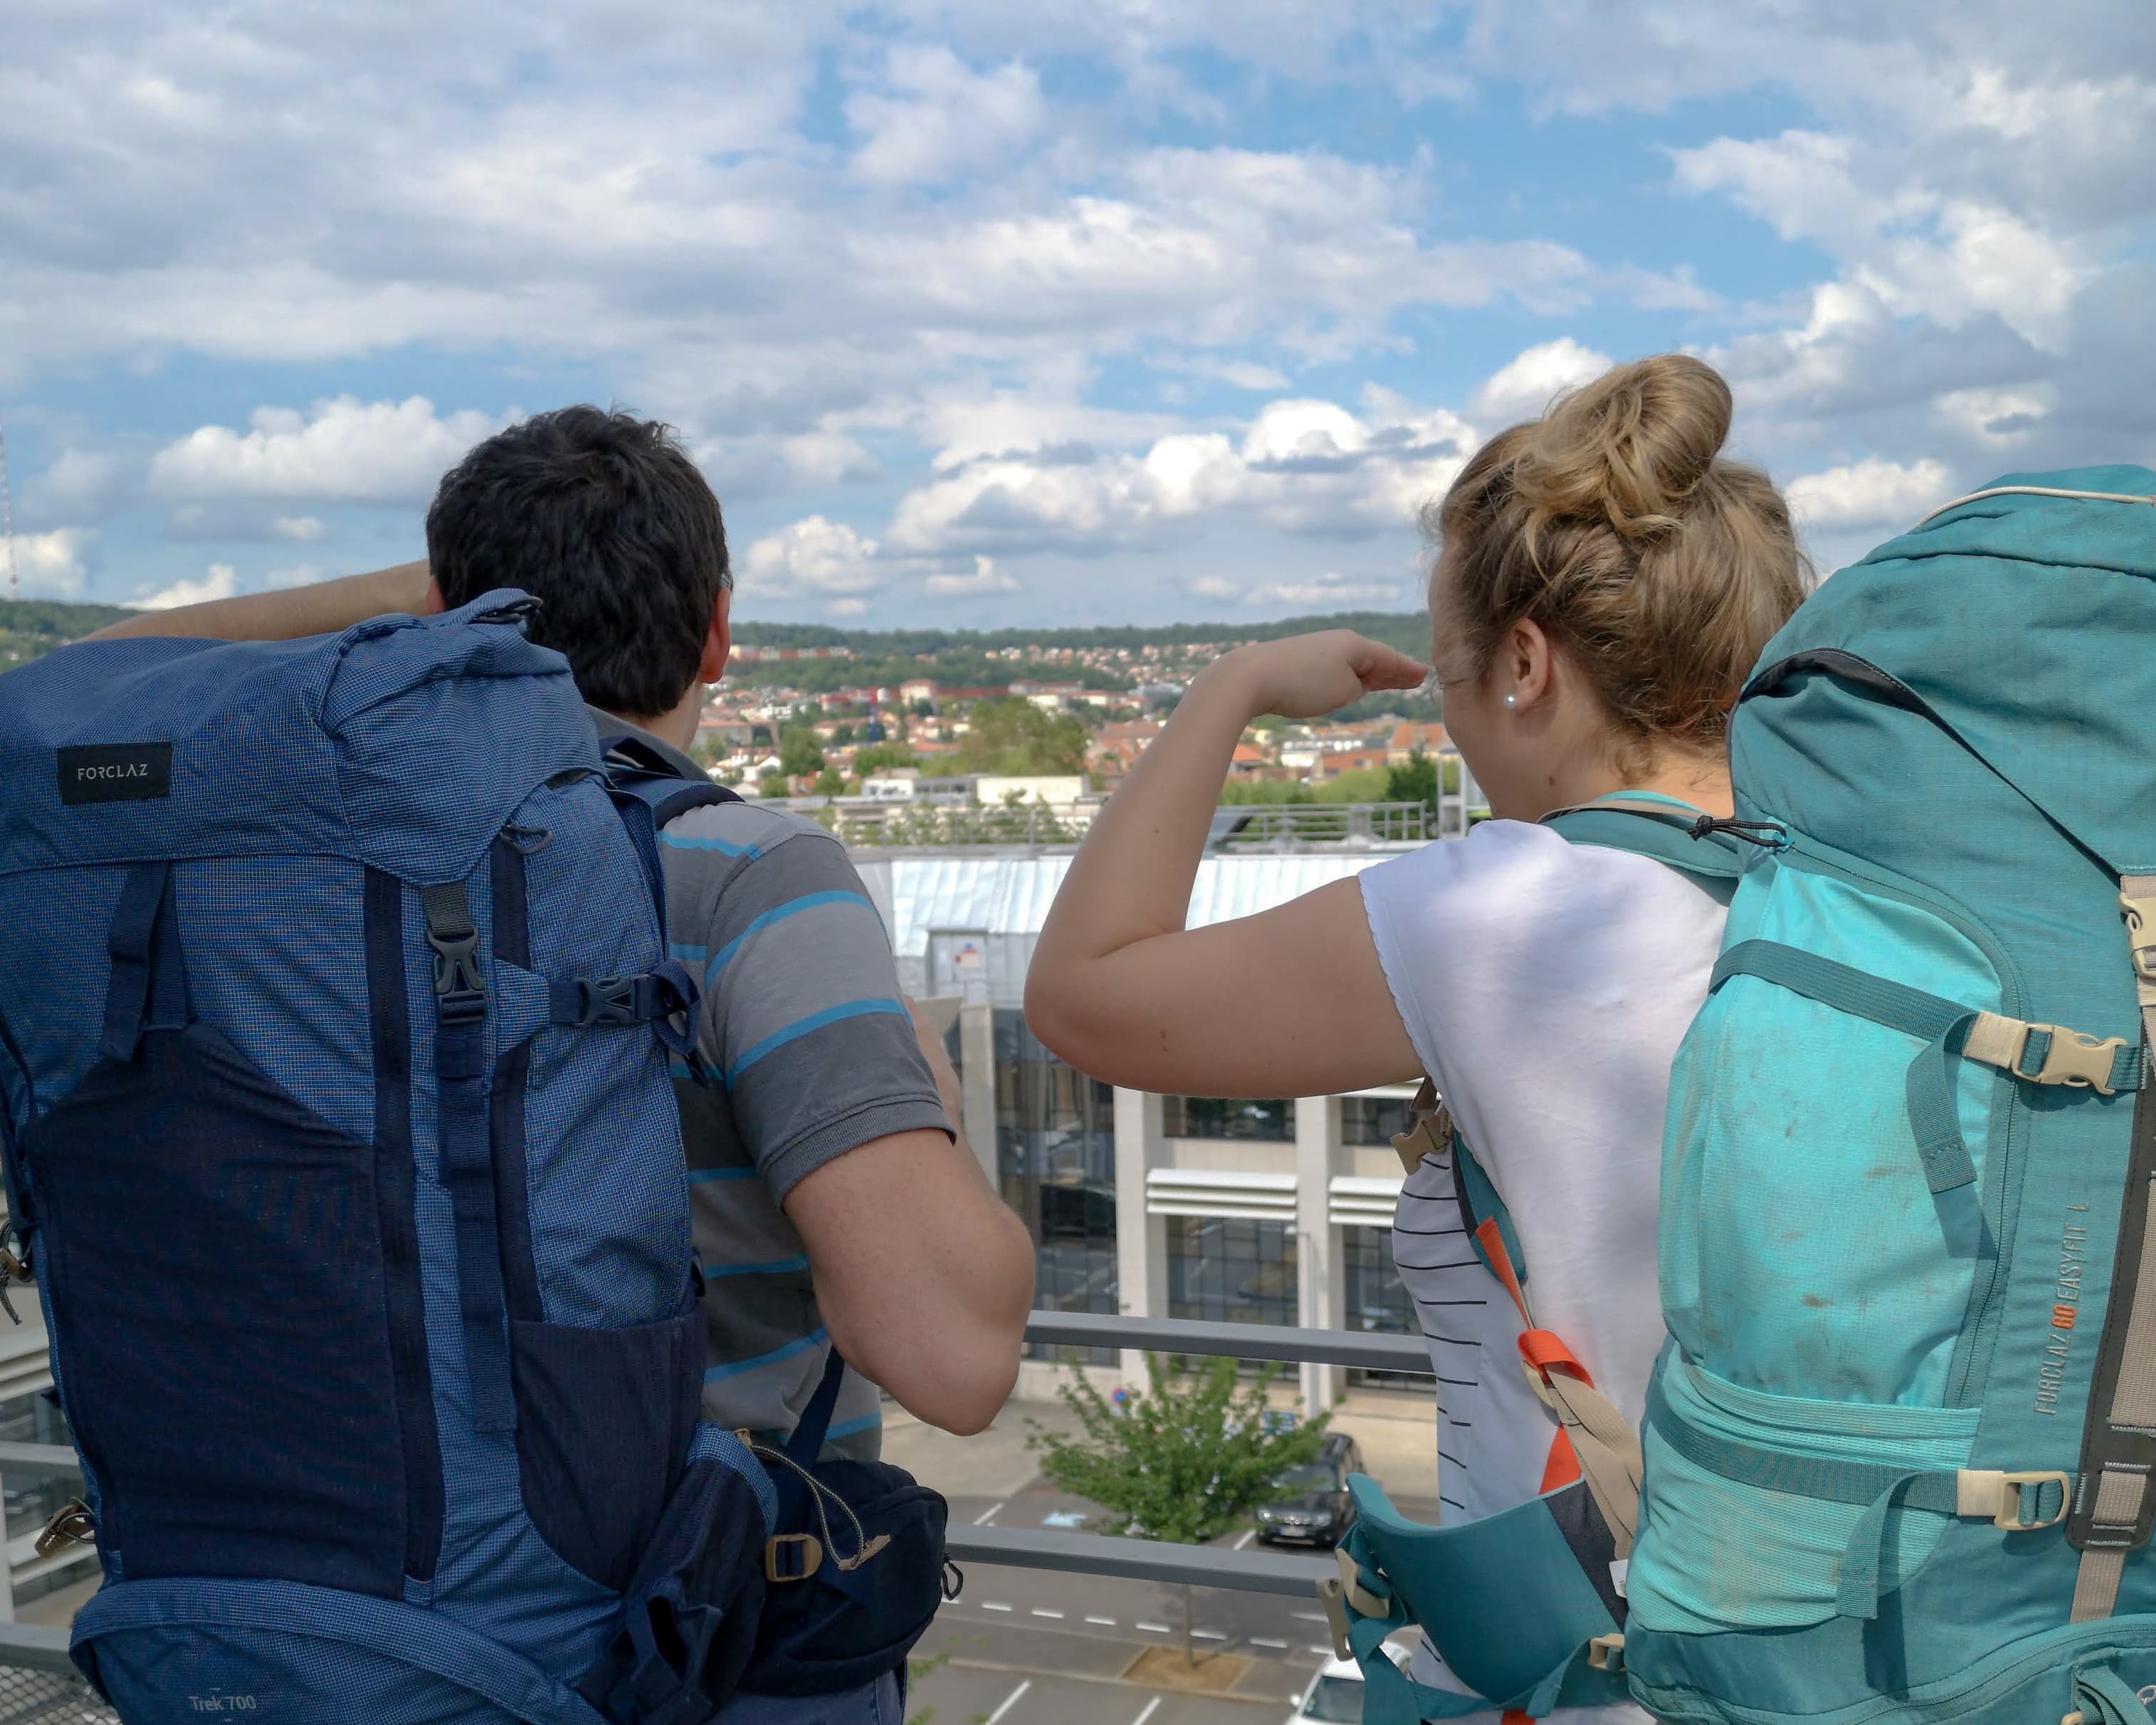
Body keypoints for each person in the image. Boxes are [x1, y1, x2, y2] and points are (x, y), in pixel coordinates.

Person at [93, 405, 1037, 1724]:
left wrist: (435, 602)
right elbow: (952, 1356)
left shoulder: (307, 886)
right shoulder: (744, 871)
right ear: (717, 631)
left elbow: (72, 690)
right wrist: (926, 1101)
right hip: (686, 1639)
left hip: (333, 1623)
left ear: (442, 618)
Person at [1024, 354, 1807, 1724]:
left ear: (1523, 664)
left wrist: (1232, 688)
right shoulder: (1859, 892)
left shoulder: (1506, 912)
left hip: (1594, 1685)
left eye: (1450, 670)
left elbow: (1085, 994)